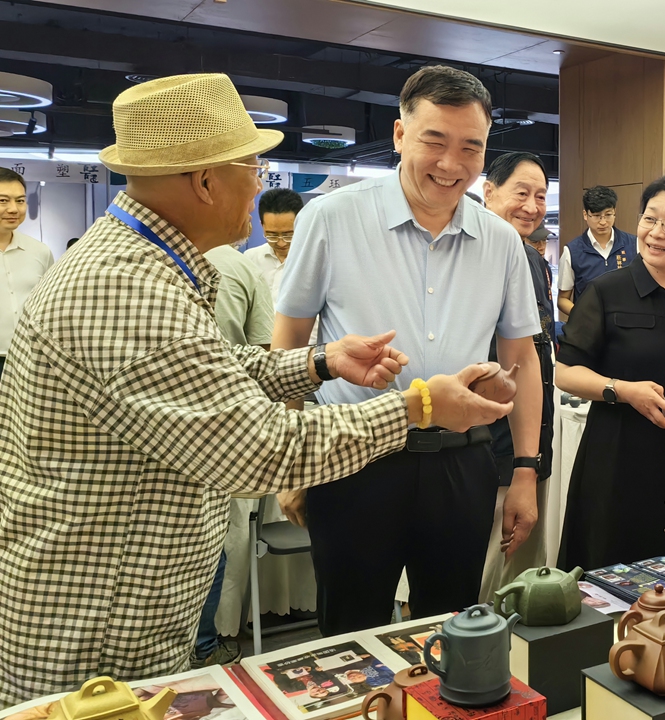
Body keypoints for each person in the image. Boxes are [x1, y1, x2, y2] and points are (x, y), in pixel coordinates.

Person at [0, 73, 512, 705]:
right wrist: (419, 406)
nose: (261, 184)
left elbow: (203, 371)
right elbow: (256, 447)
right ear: (206, 179)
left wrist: (318, 363)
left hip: (119, 604)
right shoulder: (128, 286)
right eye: (253, 166)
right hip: (95, 627)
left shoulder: (144, 266)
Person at [272, 66, 543, 635]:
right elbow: (290, 342)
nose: (452, 164)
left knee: (454, 629)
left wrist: (524, 470)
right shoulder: (331, 217)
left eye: (471, 147)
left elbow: (524, 355)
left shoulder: (500, 241)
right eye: (434, 141)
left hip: (462, 462)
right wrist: (290, 464)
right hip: (354, 456)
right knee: (350, 629)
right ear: (399, 136)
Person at [555, 169, 665, 570]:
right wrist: (623, 390)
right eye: (650, 219)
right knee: (610, 576)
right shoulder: (604, 292)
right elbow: (565, 372)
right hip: (617, 459)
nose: (656, 232)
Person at [190, 234, 278, 669]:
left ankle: (200, 643)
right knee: (215, 541)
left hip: (175, 429)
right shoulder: (241, 265)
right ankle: (206, 645)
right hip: (228, 424)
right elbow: (262, 350)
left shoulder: (125, 260)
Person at [479, 151, 556, 598]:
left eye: (541, 196)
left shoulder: (530, 258)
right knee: (494, 569)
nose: (532, 206)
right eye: (521, 193)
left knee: (516, 566)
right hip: (493, 438)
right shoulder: (480, 253)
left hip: (526, 437)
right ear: (489, 192)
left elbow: (536, 351)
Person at [0, 168, 53, 378]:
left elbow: (49, 306)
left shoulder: (40, 251)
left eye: (20, 200)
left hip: (27, 361)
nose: (13, 209)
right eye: (3, 200)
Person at [558, 185, 637, 320]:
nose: (603, 222)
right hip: (589, 329)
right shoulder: (572, 251)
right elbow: (562, 299)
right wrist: (585, 317)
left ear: (615, 212)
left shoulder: (634, 244)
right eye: (596, 216)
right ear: (585, 215)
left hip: (626, 327)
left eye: (608, 215)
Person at [248, 187, 303, 301]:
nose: (281, 243)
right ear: (262, 226)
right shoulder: (250, 259)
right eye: (272, 235)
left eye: (289, 235)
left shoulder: (315, 261)